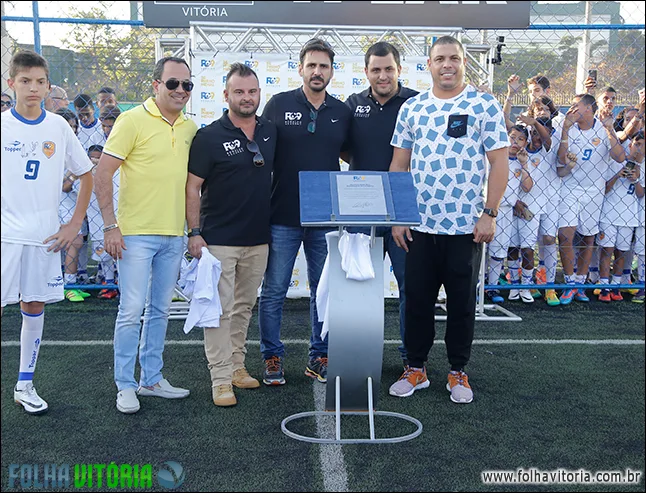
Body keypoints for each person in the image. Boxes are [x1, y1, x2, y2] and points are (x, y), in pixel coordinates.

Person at [387, 36, 510, 404]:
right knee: (417, 300)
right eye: (440, 59)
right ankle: (416, 368)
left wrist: (489, 213)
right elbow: (399, 165)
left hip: (465, 227)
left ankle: (458, 371)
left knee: (461, 303)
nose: (447, 65)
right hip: (421, 226)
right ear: (429, 64)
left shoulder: (483, 105)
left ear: (463, 62)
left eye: (454, 58)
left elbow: (500, 163)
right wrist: (399, 216)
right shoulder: (413, 108)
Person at [94, 56, 197, 414]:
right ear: (156, 85)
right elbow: (102, 173)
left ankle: (151, 379)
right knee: (131, 310)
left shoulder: (190, 128)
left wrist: (192, 231)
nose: (180, 90)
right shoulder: (131, 120)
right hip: (135, 235)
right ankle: (125, 384)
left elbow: (192, 186)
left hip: (174, 235)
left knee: (160, 310)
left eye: (187, 84)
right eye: (173, 83)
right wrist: (110, 226)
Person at [1, 50, 94, 414]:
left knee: (33, 306)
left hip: (43, 237)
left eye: (40, 82)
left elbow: (86, 174)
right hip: (5, 236)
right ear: (11, 84)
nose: (33, 88)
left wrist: (73, 224)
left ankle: (25, 383)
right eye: (25, 81)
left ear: (48, 86)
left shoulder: (57, 126)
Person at [258, 38, 352, 386]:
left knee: (323, 289)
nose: (317, 71)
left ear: (331, 71)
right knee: (274, 290)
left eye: (323, 66)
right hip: (282, 215)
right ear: (300, 69)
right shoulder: (279, 104)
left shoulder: (342, 112)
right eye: (311, 65)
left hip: (324, 219)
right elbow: (260, 154)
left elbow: (349, 156)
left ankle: (319, 356)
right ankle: (272, 357)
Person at [186, 63, 276, 407]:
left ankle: (238, 366)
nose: (246, 97)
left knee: (244, 307)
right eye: (239, 91)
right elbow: (192, 188)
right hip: (219, 239)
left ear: (258, 93)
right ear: (226, 95)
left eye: (252, 91)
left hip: (258, 238)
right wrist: (194, 232)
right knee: (219, 311)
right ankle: (220, 378)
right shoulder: (208, 136)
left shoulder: (270, 131)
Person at [344, 41, 419, 366]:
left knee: (410, 288)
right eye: (376, 69)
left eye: (389, 69)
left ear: (399, 70)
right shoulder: (352, 104)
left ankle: (410, 358)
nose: (383, 75)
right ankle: (359, 358)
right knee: (359, 287)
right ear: (366, 72)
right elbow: (344, 149)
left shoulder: (416, 103)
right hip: (361, 211)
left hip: (403, 209)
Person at [556, 93, 625, 305]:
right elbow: (560, 159)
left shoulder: (602, 128)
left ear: (588, 108)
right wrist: (566, 130)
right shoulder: (567, 126)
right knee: (565, 234)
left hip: (594, 191)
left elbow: (620, 157)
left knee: (588, 238)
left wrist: (609, 128)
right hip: (569, 187)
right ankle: (568, 282)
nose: (571, 109)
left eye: (576, 106)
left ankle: (580, 282)